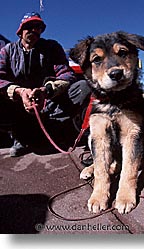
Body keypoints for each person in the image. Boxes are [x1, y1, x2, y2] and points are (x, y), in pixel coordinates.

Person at [0, 12, 91, 156]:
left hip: (50, 105)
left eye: (38, 27)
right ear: (20, 31)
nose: (33, 30)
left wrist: (47, 90)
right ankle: (21, 137)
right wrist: (19, 92)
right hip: (19, 108)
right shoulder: (7, 51)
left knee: (83, 87)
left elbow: (67, 74)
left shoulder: (52, 47)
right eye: (29, 27)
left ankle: (54, 131)